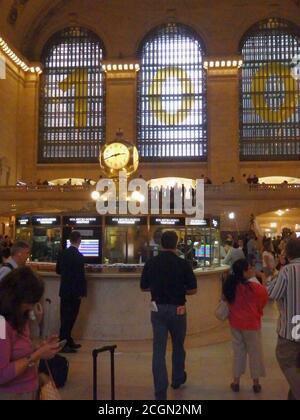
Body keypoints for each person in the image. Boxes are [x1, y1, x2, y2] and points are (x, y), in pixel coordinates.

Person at [140, 230, 197, 400]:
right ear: (176, 243)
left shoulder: (151, 263)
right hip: (178, 309)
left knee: (158, 350)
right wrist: (179, 289)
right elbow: (193, 289)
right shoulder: (183, 263)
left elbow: (143, 287)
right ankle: (177, 378)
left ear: (161, 244)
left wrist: (157, 288)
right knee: (178, 345)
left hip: (157, 310)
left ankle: (160, 392)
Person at [0, 267, 60, 400]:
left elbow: (18, 352)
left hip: (28, 388)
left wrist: (40, 349)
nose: (32, 307)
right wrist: (37, 354)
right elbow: (2, 374)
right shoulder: (2, 324)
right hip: (12, 393)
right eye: (30, 302)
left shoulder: (19, 316)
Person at [223, 259, 268, 393]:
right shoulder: (255, 287)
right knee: (255, 353)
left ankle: (236, 382)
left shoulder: (230, 285)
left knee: (238, 352)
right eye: (248, 268)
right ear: (243, 271)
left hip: (235, 323)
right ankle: (256, 383)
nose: (251, 270)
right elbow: (264, 299)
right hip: (251, 324)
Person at [267, 238, 300, 400]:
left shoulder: (287, 271)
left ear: (287, 253)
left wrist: (276, 274)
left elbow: (272, 294)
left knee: (285, 359)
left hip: (291, 328)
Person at [56, 231, 86, 353]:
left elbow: (58, 270)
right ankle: (63, 342)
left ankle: (67, 340)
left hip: (64, 291)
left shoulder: (62, 254)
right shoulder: (79, 257)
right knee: (71, 318)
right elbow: (80, 277)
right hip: (75, 293)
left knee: (64, 317)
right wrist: (82, 292)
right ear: (79, 240)